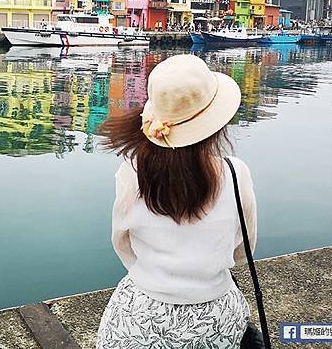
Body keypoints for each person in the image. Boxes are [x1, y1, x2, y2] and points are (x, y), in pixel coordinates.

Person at [96, 54, 256, 348]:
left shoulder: (131, 172)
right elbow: (243, 250)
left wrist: (154, 276)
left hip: (139, 319)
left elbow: (121, 243)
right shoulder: (236, 174)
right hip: (216, 318)